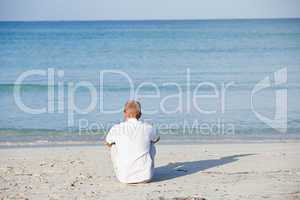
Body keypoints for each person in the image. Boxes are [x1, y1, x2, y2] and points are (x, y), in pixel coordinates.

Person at [105, 100, 160, 184]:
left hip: (124, 178)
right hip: (146, 177)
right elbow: (157, 138)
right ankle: (145, 168)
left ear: (124, 113)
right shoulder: (148, 127)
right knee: (151, 143)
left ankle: (123, 169)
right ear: (140, 114)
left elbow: (108, 143)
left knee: (113, 146)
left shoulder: (116, 128)